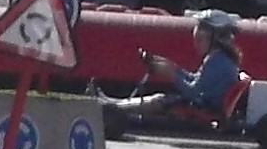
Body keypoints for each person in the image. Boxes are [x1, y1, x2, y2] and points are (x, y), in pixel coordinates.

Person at [97, 9, 244, 117]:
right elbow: (196, 80)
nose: (196, 43)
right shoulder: (218, 58)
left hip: (205, 107)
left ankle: (112, 109)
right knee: (160, 98)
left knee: (159, 101)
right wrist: (173, 68)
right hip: (204, 102)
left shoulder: (217, 61)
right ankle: (113, 104)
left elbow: (193, 92)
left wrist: (172, 75)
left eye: (200, 39)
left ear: (216, 38)